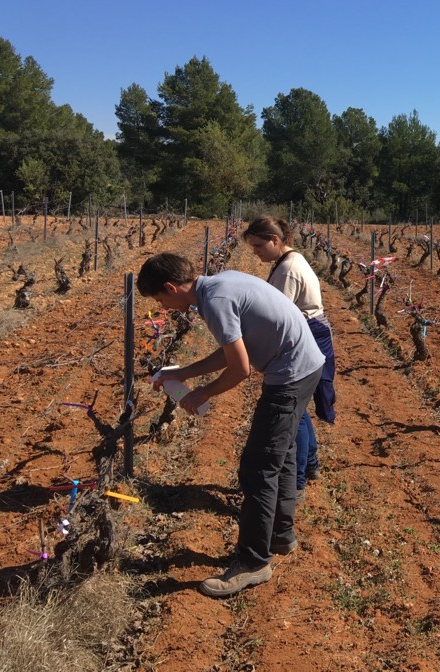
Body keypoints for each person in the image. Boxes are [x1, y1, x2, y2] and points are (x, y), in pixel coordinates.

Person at [137, 252, 324, 598]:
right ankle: (281, 535)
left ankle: (254, 562)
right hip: (305, 364)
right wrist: (181, 373)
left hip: (291, 373)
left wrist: (200, 394)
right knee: (279, 458)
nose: (163, 307)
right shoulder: (218, 285)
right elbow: (229, 351)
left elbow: (240, 369)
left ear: (170, 287)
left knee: (257, 468)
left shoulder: (215, 302)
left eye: (160, 300)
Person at [242, 216, 337, 504]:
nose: (255, 252)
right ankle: (310, 465)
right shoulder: (288, 262)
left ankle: (295, 481)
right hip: (311, 330)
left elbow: (275, 317)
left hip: (308, 334)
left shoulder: (288, 271)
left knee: (292, 411)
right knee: (300, 408)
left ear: (275, 240)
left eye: (259, 245)